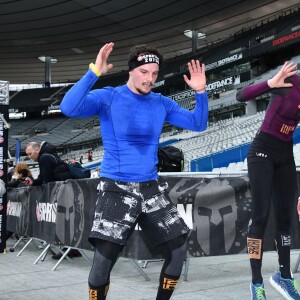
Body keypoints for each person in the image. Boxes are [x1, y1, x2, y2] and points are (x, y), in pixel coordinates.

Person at [60, 42, 208, 300]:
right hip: (115, 188)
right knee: (103, 262)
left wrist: (201, 92)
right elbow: (69, 108)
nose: (150, 78)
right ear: (131, 71)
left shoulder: (160, 102)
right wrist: (94, 71)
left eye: (154, 73)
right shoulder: (110, 97)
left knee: (178, 249)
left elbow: (198, 123)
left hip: (151, 188)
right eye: (144, 72)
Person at [236, 61, 300, 300]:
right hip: (262, 151)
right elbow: (241, 95)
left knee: (285, 218)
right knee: (260, 217)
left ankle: (284, 277)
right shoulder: (290, 80)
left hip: (285, 155)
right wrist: (270, 83)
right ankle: (256, 283)